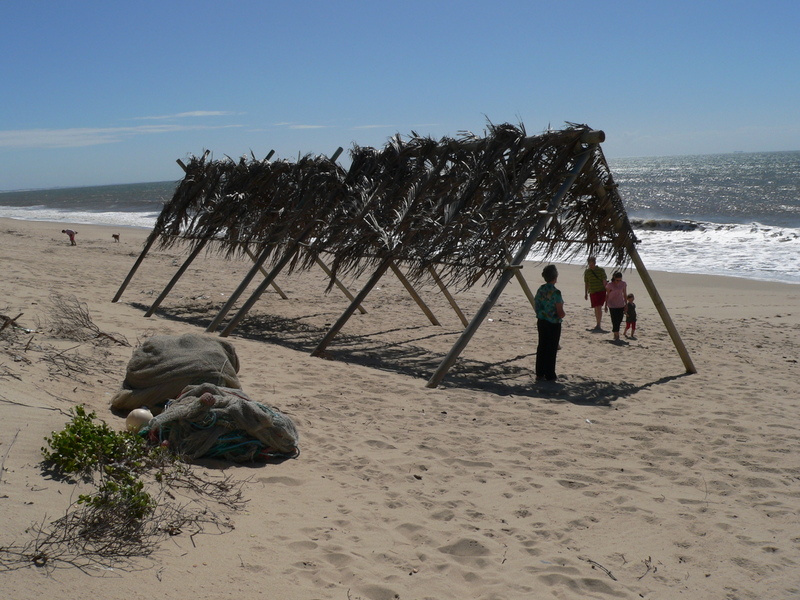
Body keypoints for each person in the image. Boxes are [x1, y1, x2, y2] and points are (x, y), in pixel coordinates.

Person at [534, 264, 565, 381]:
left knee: (542, 346)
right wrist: (563, 315)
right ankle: (550, 374)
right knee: (551, 348)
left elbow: (537, 304)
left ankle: (539, 372)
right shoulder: (556, 293)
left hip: (542, 320)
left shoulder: (541, 289)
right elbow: (560, 312)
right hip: (553, 323)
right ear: (555, 277)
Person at [583, 256, 607, 330]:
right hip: (592, 291)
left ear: (594, 263)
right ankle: (597, 323)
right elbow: (586, 283)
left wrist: (607, 290)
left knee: (599, 307)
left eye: (592, 264)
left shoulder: (601, 270)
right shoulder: (587, 272)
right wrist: (586, 293)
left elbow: (604, 281)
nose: (590, 265)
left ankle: (598, 324)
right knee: (596, 307)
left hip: (601, 290)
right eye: (589, 264)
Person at [604, 271, 627, 342]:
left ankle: (615, 332)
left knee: (620, 319)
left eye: (620, 280)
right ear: (614, 278)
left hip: (620, 304)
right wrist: (605, 305)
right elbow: (607, 295)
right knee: (614, 320)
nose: (618, 282)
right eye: (617, 280)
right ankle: (616, 334)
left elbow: (624, 294)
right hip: (612, 304)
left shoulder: (623, 284)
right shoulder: (610, 285)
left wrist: (626, 304)